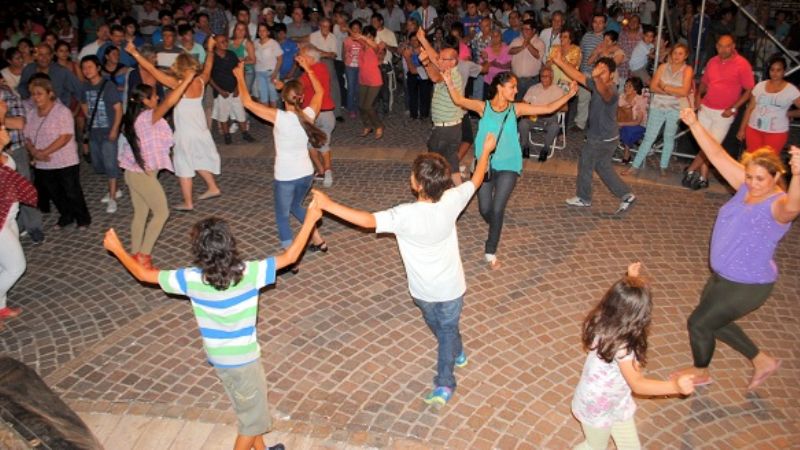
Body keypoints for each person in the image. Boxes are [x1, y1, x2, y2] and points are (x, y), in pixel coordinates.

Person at [101, 208, 320, 450]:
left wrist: (118, 249)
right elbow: (290, 257)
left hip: (219, 358)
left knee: (246, 407)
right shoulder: (249, 273)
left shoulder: (191, 279)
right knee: (253, 422)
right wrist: (310, 219)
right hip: (244, 363)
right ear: (229, 244)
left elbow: (144, 274)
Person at [310, 133, 498, 406]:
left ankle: (445, 383)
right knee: (443, 328)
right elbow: (477, 178)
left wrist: (328, 205)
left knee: (444, 330)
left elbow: (366, 220)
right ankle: (456, 350)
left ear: (418, 184)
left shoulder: (404, 215)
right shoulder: (452, 200)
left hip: (435, 291)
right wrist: (487, 151)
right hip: (439, 290)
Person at [672, 109, 800, 391]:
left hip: (748, 283)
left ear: (776, 176)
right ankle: (763, 361)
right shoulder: (745, 189)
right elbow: (716, 155)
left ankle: (701, 372)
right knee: (715, 322)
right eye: (750, 176)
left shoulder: (777, 205)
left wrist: (799, 173)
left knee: (699, 323)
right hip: (722, 276)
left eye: (760, 179)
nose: (753, 184)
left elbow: (794, 207)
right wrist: (694, 124)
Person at [442, 69, 576, 268]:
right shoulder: (483, 107)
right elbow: (460, 100)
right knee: (485, 209)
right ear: (499, 87)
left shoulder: (516, 109)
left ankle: (490, 250)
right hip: (484, 165)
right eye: (512, 87)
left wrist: (570, 94)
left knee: (497, 208)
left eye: (515, 87)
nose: (516, 90)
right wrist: (449, 83)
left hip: (509, 165)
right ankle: (496, 223)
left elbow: (547, 108)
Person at [572, 262, 696, 449]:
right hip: (597, 407)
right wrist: (674, 386)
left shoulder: (602, 319)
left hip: (616, 400)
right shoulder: (623, 347)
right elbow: (637, 384)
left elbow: (622, 299)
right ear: (640, 316)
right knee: (594, 447)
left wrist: (631, 278)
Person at [234, 59, 328, 262]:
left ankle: (290, 258)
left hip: (286, 176)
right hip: (306, 174)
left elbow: (247, 102)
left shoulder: (279, 117)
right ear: (301, 98)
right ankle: (318, 240)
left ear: (283, 98)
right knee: (295, 206)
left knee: (282, 216)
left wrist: (240, 77)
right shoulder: (309, 115)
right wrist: (309, 69)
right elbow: (320, 93)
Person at [127, 39, 222, 211]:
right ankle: (213, 188)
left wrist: (135, 53)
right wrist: (210, 49)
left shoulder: (177, 85)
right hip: (201, 131)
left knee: (183, 166)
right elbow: (208, 65)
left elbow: (151, 70)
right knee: (197, 159)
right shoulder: (201, 81)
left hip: (185, 134)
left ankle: (188, 202)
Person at [118, 72, 196, 270]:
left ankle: (135, 255)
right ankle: (143, 255)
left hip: (133, 173)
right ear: (145, 101)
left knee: (141, 213)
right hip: (140, 175)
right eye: (154, 96)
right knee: (162, 212)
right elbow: (169, 102)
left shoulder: (134, 116)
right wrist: (187, 80)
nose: (158, 98)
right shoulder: (147, 117)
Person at [550, 52, 637, 215]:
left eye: (603, 70)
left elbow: (605, 94)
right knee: (602, 167)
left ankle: (584, 198)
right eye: (597, 67)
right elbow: (578, 75)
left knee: (585, 164)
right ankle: (627, 195)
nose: (598, 71)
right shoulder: (596, 84)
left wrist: (597, 77)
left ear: (611, 75)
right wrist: (560, 62)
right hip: (607, 137)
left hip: (600, 138)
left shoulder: (611, 90)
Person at [683, 35, 754, 191]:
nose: (723, 49)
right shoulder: (712, 61)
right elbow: (705, 82)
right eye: (720, 46)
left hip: (724, 113)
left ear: (733, 46)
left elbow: (749, 90)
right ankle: (703, 177)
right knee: (704, 144)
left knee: (711, 147)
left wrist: (734, 108)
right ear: (716, 46)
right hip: (706, 108)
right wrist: (698, 96)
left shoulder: (742, 64)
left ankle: (690, 170)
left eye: (727, 46)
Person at [23, 76, 91, 229]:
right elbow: (26, 136)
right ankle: (66, 215)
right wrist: (34, 151)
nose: (35, 97)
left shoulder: (62, 112)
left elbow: (65, 137)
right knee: (55, 193)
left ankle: (82, 218)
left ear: (50, 93)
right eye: (33, 94)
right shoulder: (32, 114)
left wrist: (44, 152)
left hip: (64, 160)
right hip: (43, 163)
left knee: (71, 191)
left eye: (39, 93)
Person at [625, 44, 693, 175]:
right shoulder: (663, 67)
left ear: (686, 56)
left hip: (675, 108)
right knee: (649, 137)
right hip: (658, 106)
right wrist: (673, 91)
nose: (677, 56)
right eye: (675, 53)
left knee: (669, 137)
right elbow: (653, 88)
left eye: (680, 53)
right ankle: (635, 166)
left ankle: (663, 166)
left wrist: (665, 87)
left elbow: (684, 91)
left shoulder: (687, 70)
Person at [0, 129, 37, 324]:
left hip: (10, 216)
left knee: (2, 265)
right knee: (16, 266)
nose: (5, 130)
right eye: (1, 128)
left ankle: (1, 307)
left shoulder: (3, 152)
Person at [0, 88, 45, 244]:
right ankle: (14, 229)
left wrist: (2, 119)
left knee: (24, 189)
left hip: (14, 150)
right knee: (5, 195)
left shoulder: (9, 96)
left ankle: (34, 227)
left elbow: (19, 123)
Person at [80, 55, 123, 214]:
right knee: (99, 164)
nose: (87, 70)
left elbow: (118, 109)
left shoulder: (108, 85)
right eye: (84, 68)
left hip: (108, 131)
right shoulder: (84, 87)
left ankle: (112, 197)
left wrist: (114, 129)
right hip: (94, 132)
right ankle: (116, 189)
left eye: (90, 67)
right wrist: (89, 119)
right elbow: (83, 104)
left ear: (98, 68)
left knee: (110, 163)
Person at [737, 56, 800, 154]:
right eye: (772, 70)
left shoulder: (791, 90)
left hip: (776, 133)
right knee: (752, 160)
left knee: (769, 162)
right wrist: (742, 129)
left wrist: (789, 113)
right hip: (753, 129)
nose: (775, 73)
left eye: (778, 70)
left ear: (784, 71)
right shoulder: (760, 86)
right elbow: (750, 108)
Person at [209, 34, 255, 144]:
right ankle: (227, 135)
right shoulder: (211, 57)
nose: (225, 43)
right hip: (221, 91)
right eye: (222, 42)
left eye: (225, 41)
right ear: (216, 45)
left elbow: (240, 69)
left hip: (234, 89)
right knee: (223, 115)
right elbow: (208, 76)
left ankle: (245, 133)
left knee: (240, 112)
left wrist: (237, 87)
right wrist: (219, 91)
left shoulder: (231, 54)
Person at [517, 66, 567, 162]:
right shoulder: (533, 88)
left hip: (550, 117)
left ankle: (545, 149)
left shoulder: (558, 90)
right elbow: (523, 103)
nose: (543, 78)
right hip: (534, 116)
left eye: (546, 76)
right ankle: (525, 147)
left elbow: (565, 108)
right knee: (522, 123)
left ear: (552, 77)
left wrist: (553, 107)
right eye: (542, 76)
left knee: (555, 126)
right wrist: (528, 108)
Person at [351, 25, 384, 139]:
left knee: (368, 106)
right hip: (363, 79)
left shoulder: (375, 46)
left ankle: (379, 126)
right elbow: (353, 35)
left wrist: (363, 38)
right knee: (361, 106)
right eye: (366, 35)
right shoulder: (361, 46)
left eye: (370, 36)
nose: (367, 38)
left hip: (375, 80)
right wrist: (347, 29)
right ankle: (367, 126)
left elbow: (374, 45)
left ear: (373, 37)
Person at [508, 19, 545, 101]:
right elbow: (510, 51)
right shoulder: (517, 40)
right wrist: (522, 47)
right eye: (523, 29)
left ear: (534, 30)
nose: (524, 31)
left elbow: (537, 55)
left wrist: (528, 43)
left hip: (531, 81)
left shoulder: (540, 42)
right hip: (516, 80)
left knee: (530, 106)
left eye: (527, 29)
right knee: (515, 104)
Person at [616, 77, 648, 168]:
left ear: (635, 89)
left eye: (629, 86)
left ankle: (627, 153)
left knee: (627, 130)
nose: (626, 87)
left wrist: (621, 124)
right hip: (622, 121)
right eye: (626, 85)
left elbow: (638, 121)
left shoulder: (640, 100)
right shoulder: (621, 97)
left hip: (638, 125)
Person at [253, 23, 283, 108]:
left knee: (273, 97)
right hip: (259, 73)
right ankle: (267, 119)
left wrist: (275, 73)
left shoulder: (273, 43)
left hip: (271, 72)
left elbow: (280, 59)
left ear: (268, 32)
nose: (262, 32)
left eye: (264, 30)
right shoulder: (255, 43)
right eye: (260, 31)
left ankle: (273, 119)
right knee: (263, 98)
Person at [343, 21, 364, 118]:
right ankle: (351, 108)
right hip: (350, 67)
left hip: (360, 66)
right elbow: (343, 53)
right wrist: (346, 64)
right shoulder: (347, 40)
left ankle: (358, 106)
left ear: (360, 29)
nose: (356, 30)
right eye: (353, 28)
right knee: (351, 88)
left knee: (358, 88)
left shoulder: (363, 40)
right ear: (350, 30)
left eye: (357, 28)